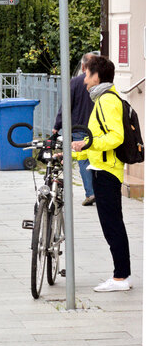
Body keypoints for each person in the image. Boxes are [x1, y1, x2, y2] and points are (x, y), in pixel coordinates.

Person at [73, 55, 132, 292]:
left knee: (112, 224)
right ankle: (121, 275)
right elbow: (95, 141)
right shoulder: (103, 98)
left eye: (86, 74)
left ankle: (121, 277)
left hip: (107, 172)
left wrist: (87, 145)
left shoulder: (107, 100)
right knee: (111, 223)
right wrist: (76, 153)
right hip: (102, 168)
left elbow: (115, 137)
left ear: (97, 75)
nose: (84, 79)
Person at [52, 52, 97, 206]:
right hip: (97, 128)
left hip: (79, 127)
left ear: (83, 66)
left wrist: (57, 125)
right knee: (98, 159)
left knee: (84, 160)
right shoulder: (101, 83)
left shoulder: (75, 82)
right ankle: (100, 192)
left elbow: (66, 105)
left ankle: (91, 193)